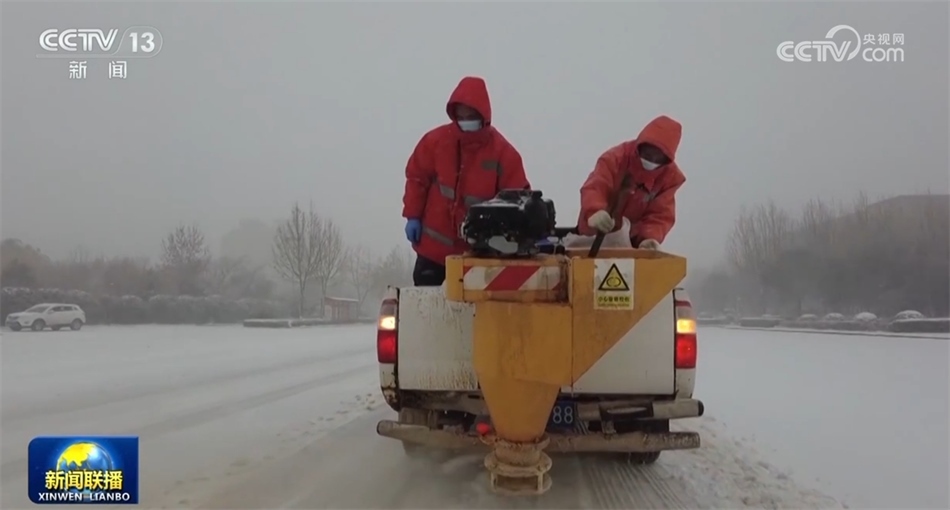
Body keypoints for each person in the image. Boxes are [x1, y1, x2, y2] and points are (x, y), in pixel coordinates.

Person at [402, 76, 531, 286]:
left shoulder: (503, 154)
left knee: (471, 308)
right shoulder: (435, 143)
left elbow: (519, 201)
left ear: (484, 116)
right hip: (432, 254)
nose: (465, 121)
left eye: (471, 116)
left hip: (478, 258)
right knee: (427, 304)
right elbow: (417, 178)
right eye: (460, 116)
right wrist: (412, 215)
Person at [577, 115, 686, 251]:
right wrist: (594, 211)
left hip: (632, 247)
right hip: (591, 240)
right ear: (640, 145)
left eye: (658, 156)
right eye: (648, 153)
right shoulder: (615, 159)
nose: (651, 159)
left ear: (667, 159)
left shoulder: (670, 177)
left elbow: (660, 214)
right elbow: (596, 186)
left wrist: (649, 238)